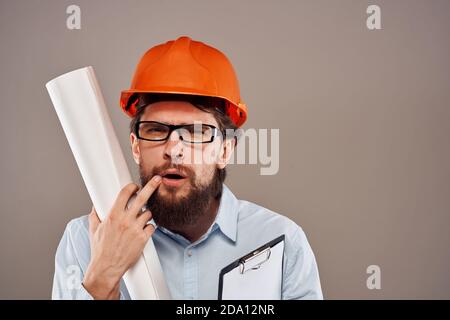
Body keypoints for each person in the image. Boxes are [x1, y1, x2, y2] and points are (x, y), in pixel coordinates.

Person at [52, 36, 323, 300]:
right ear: (136, 147)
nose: (173, 149)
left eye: (196, 132)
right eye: (156, 130)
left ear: (225, 150)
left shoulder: (282, 240)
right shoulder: (85, 241)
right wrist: (101, 280)